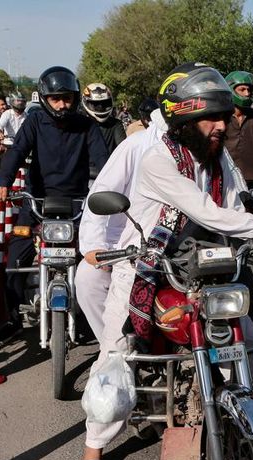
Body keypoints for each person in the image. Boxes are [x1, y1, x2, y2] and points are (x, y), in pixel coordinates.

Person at [77, 62, 253, 460]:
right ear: (184, 121)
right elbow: (203, 210)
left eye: (224, 118)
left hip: (205, 268)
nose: (221, 126)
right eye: (211, 118)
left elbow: (234, 205)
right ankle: (94, 447)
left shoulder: (218, 157)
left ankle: (249, 419)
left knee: (245, 337)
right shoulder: (155, 158)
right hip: (147, 270)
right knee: (117, 360)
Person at [0, 66, 109, 332]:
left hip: (77, 204)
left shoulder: (87, 126)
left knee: (92, 262)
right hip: (37, 202)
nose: (62, 104)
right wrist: (2, 183)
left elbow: (105, 162)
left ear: (76, 98)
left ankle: (88, 315)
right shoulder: (34, 122)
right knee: (14, 260)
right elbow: (18, 151)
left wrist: (116, 189)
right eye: (56, 98)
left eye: (67, 98)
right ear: (44, 99)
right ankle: (13, 315)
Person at [76, 103, 169, 340]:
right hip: (126, 248)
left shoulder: (212, 147)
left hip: (184, 250)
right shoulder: (135, 146)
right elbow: (101, 193)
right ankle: (111, 347)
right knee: (88, 279)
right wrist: (96, 246)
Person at [82, 82, 126, 154]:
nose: (100, 107)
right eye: (95, 104)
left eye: (104, 103)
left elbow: (123, 150)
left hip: (111, 164)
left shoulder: (115, 125)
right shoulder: (79, 125)